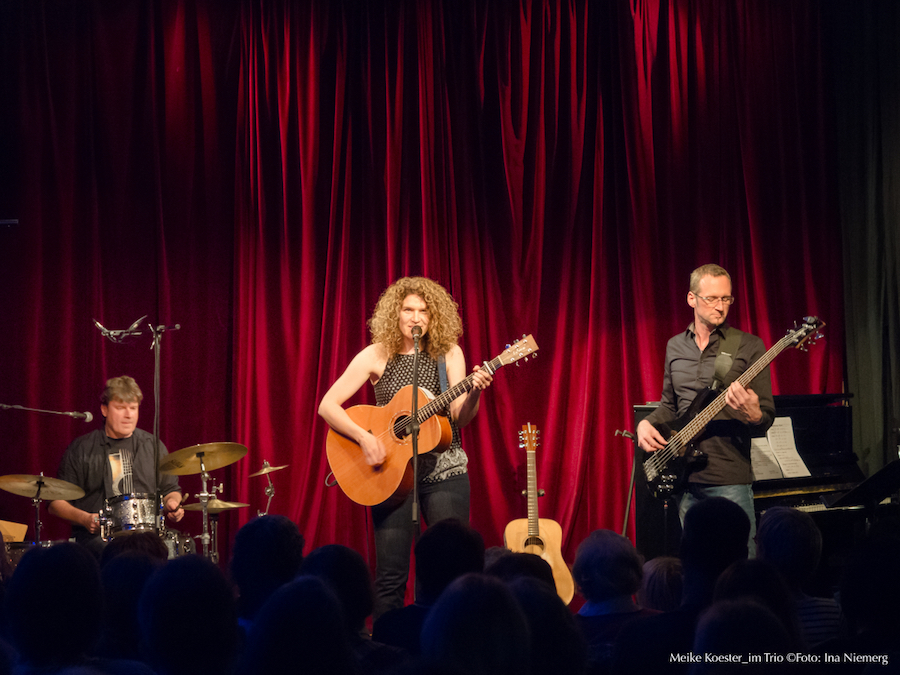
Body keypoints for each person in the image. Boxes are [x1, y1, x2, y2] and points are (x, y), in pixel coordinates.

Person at [318, 277, 493, 618]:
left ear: (434, 317)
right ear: (394, 314)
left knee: (451, 571)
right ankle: (389, 655)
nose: (416, 318)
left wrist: (475, 391)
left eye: (423, 312)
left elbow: (460, 417)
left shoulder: (448, 353)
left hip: (445, 470)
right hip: (391, 476)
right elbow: (328, 405)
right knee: (391, 577)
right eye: (408, 310)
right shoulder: (376, 354)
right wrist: (365, 437)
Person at [636, 264, 775, 554]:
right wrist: (645, 424)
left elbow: (765, 418)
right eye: (712, 298)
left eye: (726, 299)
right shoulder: (675, 346)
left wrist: (754, 414)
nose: (721, 306)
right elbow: (669, 406)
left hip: (729, 479)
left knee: (740, 565)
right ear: (692, 298)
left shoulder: (748, 345)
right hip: (684, 477)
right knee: (698, 567)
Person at [48, 376, 184, 558]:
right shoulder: (81, 448)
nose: (128, 415)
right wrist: (85, 518)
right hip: (96, 540)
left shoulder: (153, 446)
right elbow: (56, 503)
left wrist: (172, 503)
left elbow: (171, 490)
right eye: (120, 408)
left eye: (133, 408)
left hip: (146, 539)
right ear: (104, 409)